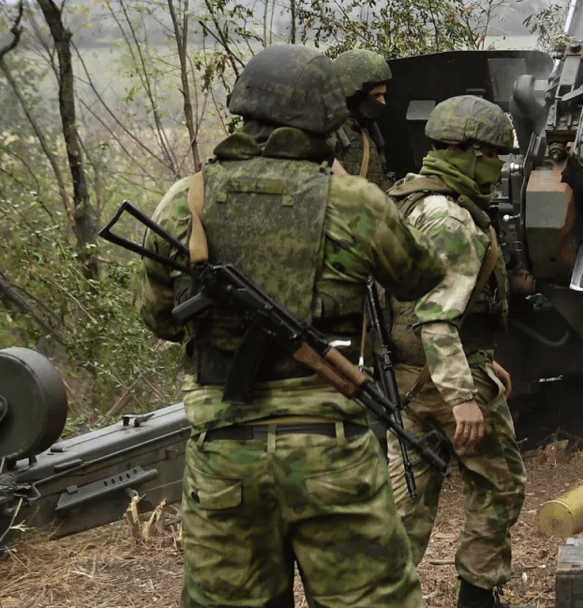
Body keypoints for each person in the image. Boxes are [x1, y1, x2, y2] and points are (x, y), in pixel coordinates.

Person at [136, 44, 446, 608]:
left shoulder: (188, 200)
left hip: (224, 456)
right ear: (329, 122)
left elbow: (158, 317)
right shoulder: (355, 202)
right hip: (331, 450)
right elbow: (421, 276)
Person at [385, 95, 528, 608]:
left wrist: (483, 358)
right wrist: (464, 393)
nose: (500, 165)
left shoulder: (407, 200)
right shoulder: (453, 220)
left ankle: (379, 595)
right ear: (469, 153)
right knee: (500, 486)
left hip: (403, 378)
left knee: (407, 503)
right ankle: (477, 597)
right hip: (443, 381)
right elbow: (437, 315)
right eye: (495, 155)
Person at [331, 48, 394, 189]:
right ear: (354, 97)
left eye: (384, 94)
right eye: (376, 95)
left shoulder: (366, 129)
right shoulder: (331, 136)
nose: (383, 102)